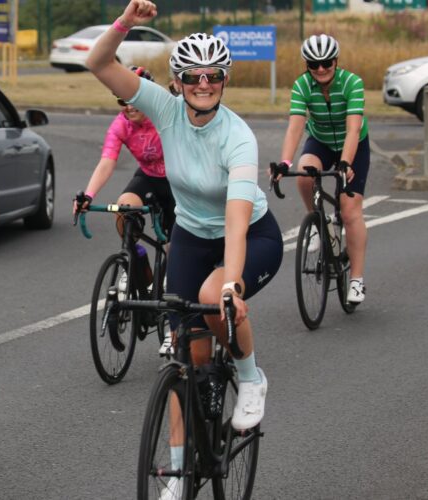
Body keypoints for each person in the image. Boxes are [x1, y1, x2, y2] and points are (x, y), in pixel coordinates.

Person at [87, 2, 283, 496]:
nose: (203, 83)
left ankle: (250, 375)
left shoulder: (237, 136)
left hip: (251, 235)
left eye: (213, 75)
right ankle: (176, 474)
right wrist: (125, 22)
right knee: (183, 359)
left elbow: (236, 224)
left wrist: (233, 284)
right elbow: (98, 63)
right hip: (192, 236)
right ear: (177, 81)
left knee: (216, 294)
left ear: (224, 80)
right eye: (192, 75)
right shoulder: (163, 108)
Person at [74, 65, 177, 355]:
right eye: (122, 100)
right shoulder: (121, 124)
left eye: (134, 99)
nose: (129, 106)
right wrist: (88, 194)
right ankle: (134, 263)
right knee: (124, 209)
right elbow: (107, 161)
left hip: (177, 181)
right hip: (148, 177)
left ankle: (172, 323)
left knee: (174, 248)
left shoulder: (164, 116)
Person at [277, 34, 370, 304]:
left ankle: (356, 280)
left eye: (326, 63)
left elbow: (354, 127)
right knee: (306, 172)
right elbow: (296, 125)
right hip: (321, 140)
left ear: (336, 61)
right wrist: (284, 162)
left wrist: (346, 163)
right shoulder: (302, 85)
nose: (320, 69)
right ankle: (318, 223)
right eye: (313, 64)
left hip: (353, 144)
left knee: (350, 211)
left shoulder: (352, 83)